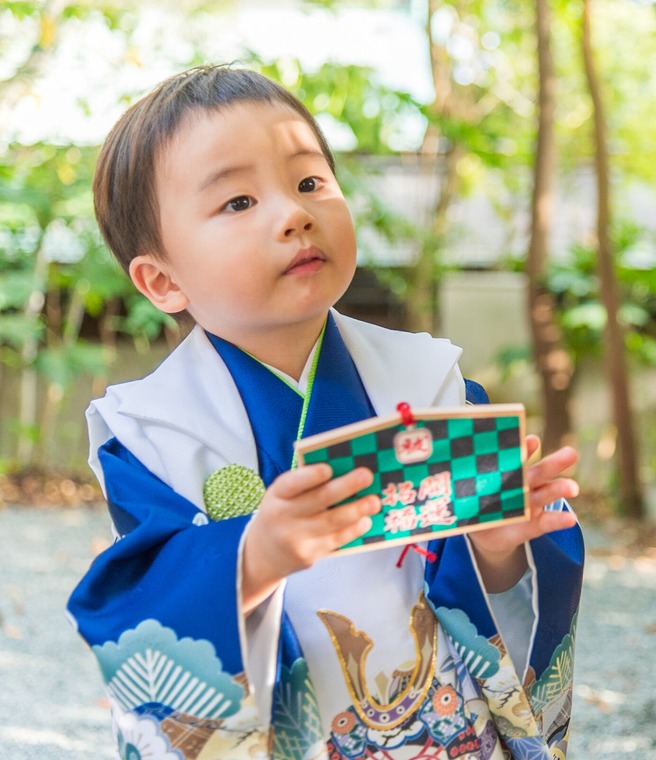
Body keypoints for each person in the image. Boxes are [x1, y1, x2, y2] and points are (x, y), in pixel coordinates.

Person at [67, 64, 584, 760]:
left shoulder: (431, 379)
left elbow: (501, 589)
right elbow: (145, 606)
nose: (294, 213)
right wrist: (251, 557)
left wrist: (498, 552)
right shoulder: (152, 429)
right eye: (239, 202)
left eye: (310, 182)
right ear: (162, 280)